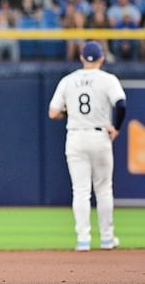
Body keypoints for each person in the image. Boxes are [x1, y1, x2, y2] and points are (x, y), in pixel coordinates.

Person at [48, 41, 126, 252]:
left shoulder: (68, 80)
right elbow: (121, 104)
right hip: (99, 136)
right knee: (103, 190)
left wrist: (69, 112)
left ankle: (83, 239)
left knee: (80, 191)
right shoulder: (108, 79)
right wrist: (116, 127)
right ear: (101, 58)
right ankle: (107, 239)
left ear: (82, 58)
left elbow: (53, 113)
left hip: (75, 138)